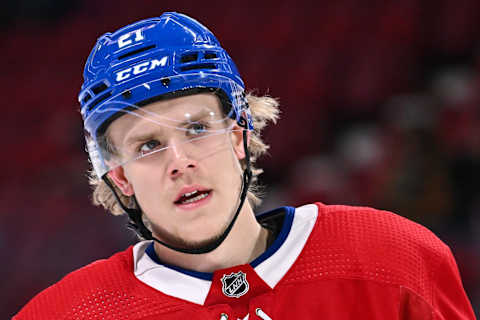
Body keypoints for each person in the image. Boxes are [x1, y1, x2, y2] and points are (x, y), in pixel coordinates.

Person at [14, 12, 476, 320]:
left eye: (196, 130)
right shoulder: (68, 313)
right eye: (149, 146)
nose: (181, 162)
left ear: (239, 137)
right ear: (120, 179)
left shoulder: (394, 258)